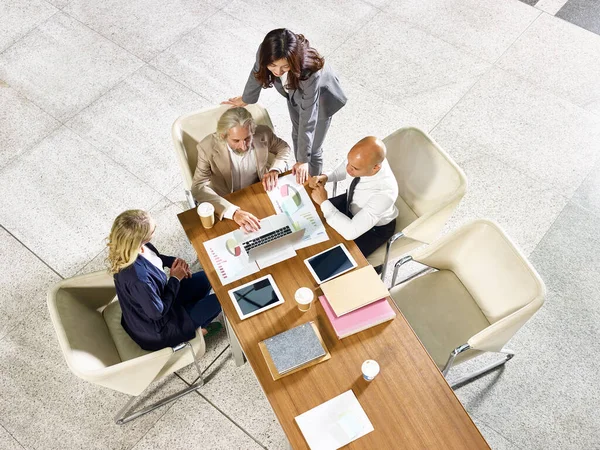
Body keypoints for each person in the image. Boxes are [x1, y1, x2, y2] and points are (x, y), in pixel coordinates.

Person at [223, 28, 347, 184]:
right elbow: (257, 70)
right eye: (272, 65)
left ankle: (313, 185)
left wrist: (303, 160)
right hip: (295, 93)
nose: (277, 72)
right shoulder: (265, 51)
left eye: (285, 67)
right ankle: (303, 170)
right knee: (297, 134)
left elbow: (308, 118)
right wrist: (247, 98)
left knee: (313, 150)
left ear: (293, 61)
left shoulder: (310, 72)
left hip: (321, 99)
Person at [107, 210, 222, 351]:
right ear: (142, 238)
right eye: (152, 230)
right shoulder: (138, 279)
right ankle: (198, 329)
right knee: (220, 301)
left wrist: (173, 262)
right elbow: (157, 313)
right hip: (159, 328)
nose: (155, 228)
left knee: (208, 277)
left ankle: (196, 316)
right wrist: (175, 278)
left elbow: (156, 257)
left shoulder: (137, 247)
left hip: (162, 298)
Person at [192, 107, 291, 233]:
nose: (243, 147)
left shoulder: (263, 133)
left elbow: (284, 148)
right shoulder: (206, 147)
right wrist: (233, 212)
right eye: (236, 141)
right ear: (223, 135)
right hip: (226, 201)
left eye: (247, 138)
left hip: (258, 191)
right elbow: (198, 186)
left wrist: (275, 169)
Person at [309, 136, 398, 259]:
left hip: (373, 229)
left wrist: (324, 202)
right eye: (349, 162)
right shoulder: (365, 159)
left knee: (333, 258)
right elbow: (344, 169)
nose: (348, 169)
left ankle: (375, 267)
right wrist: (326, 177)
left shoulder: (385, 194)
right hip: (351, 201)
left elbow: (351, 232)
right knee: (310, 216)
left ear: (376, 167)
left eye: (355, 168)